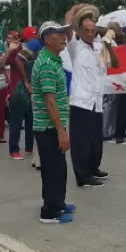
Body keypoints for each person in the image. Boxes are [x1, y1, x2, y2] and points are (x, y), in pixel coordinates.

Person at [63, 4, 119, 188]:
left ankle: (93, 168)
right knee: (81, 141)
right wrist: (72, 12)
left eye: (92, 29)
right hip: (81, 101)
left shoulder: (99, 48)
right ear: (79, 30)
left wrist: (109, 46)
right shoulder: (75, 48)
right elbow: (67, 27)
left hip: (96, 100)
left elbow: (115, 64)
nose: (90, 32)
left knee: (96, 139)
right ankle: (83, 175)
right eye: (86, 29)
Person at [32, 21, 76, 224]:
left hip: (53, 126)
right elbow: (49, 102)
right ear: (48, 39)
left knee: (59, 168)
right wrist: (61, 131)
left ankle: (58, 203)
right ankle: (49, 212)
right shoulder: (47, 65)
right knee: (52, 170)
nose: (64, 36)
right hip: (49, 127)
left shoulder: (53, 59)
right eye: (59, 33)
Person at [2, 26, 38, 158]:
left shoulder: (36, 50)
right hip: (18, 91)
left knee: (31, 121)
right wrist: (8, 51)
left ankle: (29, 148)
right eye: (31, 38)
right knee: (16, 122)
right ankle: (14, 150)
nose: (33, 41)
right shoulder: (16, 51)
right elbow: (1, 65)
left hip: (32, 91)